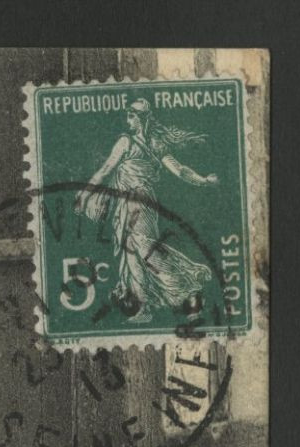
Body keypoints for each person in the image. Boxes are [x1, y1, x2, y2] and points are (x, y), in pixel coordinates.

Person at [74, 98, 219, 323]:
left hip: (139, 202)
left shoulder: (131, 142)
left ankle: (187, 285)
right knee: (131, 252)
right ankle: (143, 308)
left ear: (139, 118)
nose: (127, 120)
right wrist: (204, 180)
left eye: (131, 116)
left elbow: (106, 170)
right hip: (129, 203)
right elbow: (179, 170)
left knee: (144, 249)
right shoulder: (147, 143)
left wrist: (84, 194)